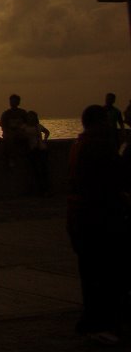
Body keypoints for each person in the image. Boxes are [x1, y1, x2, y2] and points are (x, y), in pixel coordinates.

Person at [67, 105, 125, 344]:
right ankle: (99, 323)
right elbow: (114, 180)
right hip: (95, 218)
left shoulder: (79, 145)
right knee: (103, 273)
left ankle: (90, 321)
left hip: (79, 217)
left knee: (90, 273)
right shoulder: (98, 147)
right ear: (99, 122)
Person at [24, 110, 50, 196]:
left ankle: (45, 189)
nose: (31, 118)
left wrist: (45, 140)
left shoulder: (38, 126)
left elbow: (47, 132)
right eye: (29, 117)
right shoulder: (24, 127)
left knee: (43, 170)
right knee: (35, 170)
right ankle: (40, 190)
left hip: (41, 149)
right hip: (32, 150)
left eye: (32, 117)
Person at [0, 93, 28, 166]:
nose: (13, 103)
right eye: (12, 101)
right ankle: (11, 159)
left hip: (21, 133)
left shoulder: (23, 113)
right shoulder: (6, 113)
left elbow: (27, 124)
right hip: (9, 134)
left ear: (18, 102)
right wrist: (9, 132)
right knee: (10, 140)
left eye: (15, 101)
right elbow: (3, 127)